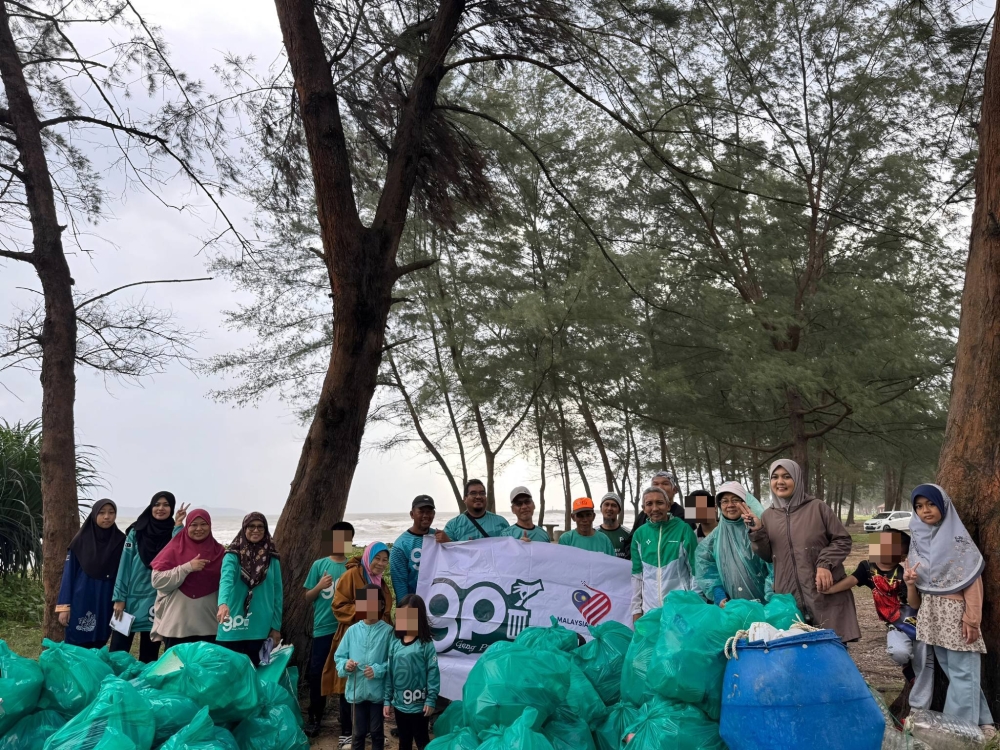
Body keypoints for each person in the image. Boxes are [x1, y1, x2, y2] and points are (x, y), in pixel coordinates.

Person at [905, 484, 994, 732]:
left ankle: (958, 731)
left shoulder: (958, 541)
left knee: (963, 672)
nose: (925, 511)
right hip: (931, 615)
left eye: (931, 504)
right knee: (957, 673)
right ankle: (984, 723)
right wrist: (911, 584)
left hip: (957, 616)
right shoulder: (918, 543)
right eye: (919, 506)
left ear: (943, 505)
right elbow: (915, 603)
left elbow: (973, 582)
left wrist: (972, 619)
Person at [744, 459, 860, 642]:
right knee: (797, 653)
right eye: (775, 477)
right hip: (790, 597)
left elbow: (842, 539)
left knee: (832, 650)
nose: (780, 482)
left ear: (797, 479)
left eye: (786, 476)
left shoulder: (817, 508)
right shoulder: (768, 516)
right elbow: (768, 556)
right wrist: (757, 531)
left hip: (823, 593)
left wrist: (825, 563)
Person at [822, 529, 934, 711]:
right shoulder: (867, 567)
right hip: (896, 627)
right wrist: (829, 590)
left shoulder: (903, 572)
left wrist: (911, 584)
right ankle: (907, 666)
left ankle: (918, 711)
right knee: (899, 652)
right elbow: (851, 581)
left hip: (919, 626)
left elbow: (915, 604)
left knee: (924, 670)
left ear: (902, 554)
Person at [323, 541, 394, 749]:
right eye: (377, 559)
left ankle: (373, 735)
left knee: (372, 695)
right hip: (353, 631)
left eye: (385, 560)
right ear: (367, 557)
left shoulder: (380, 581)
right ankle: (348, 733)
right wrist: (364, 612)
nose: (381, 564)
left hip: (378, 634)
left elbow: (385, 606)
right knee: (351, 689)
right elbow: (338, 605)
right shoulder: (351, 575)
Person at [111, 492, 188, 662]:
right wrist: (119, 597)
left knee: (149, 654)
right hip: (131, 599)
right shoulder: (136, 531)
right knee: (117, 651)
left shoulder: (172, 532)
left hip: (158, 600)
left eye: (166, 505)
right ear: (151, 506)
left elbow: (179, 552)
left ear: (172, 508)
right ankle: (113, 685)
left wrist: (178, 524)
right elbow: (124, 566)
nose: (161, 508)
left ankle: (144, 687)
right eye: (157, 504)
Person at [303, 521, 354, 738]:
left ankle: (346, 719)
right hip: (322, 629)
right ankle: (315, 716)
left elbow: (361, 599)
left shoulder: (353, 568)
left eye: (346, 538)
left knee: (346, 673)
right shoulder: (319, 565)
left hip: (347, 631)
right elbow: (307, 597)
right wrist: (319, 586)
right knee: (317, 674)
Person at [150, 508, 224, 649]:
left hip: (209, 626)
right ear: (187, 526)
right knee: (176, 669)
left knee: (206, 668)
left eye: (203, 524)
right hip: (177, 626)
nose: (199, 529)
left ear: (210, 525)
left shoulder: (220, 552)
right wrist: (187, 567)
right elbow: (157, 580)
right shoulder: (174, 548)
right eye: (193, 525)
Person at [56, 499, 126, 647]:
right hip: (82, 598)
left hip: (107, 599)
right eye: (101, 513)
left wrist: (122, 598)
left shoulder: (121, 541)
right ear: (94, 515)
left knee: (100, 639)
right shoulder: (80, 541)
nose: (107, 516)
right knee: (77, 640)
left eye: (111, 513)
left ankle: (93, 669)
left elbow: (125, 573)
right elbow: (68, 576)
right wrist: (64, 607)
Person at [216, 512, 283, 666]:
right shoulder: (232, 555)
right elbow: (225, 580)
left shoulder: (272, 558)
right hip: (233, 622)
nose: (256, 530)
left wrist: (276, 626)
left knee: (254, 671)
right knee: (228, 671)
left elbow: (277, 594)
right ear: (244, 529)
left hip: (260, 624)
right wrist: (223, 604)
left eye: (260, 527)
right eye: (251, 526)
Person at [695, 482, 773, 606]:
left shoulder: (760, 530)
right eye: (725, 501)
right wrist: (718, 593)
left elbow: (774, 565)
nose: (730, 505)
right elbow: (707, 569)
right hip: (731, 608)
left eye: (735, 500)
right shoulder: (712, 540)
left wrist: (771, 597)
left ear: (745, 503)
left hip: (764, 605)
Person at [336, 585, 393, 750]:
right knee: (358, 732)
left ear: (381, 605)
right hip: (357, 691)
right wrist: (345, 665)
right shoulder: (352, 631)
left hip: (378, 692)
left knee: (376, 731)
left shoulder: (389, 632)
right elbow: (339, 657)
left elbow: (393, 661)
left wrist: (378, 670)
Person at [630, 486, 698, 619]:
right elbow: (637, 576)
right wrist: (636, 610)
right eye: (649, 504)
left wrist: (693, 604)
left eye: (659, 503)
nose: (655, 508)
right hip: (650, 610)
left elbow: (696, 572)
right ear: (644, 508)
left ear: (668, 506)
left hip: (680, 609)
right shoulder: (639, 534)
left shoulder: (683, 529)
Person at [383, 594, 440, 750]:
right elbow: (390, 673)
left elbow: (433, 672)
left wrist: (431, 699)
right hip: (400, 706)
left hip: (420, 706)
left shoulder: (426, 644)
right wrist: (387, 700)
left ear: (418, 616)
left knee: (422, 741)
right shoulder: (394, 642)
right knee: (404, 741)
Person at [390, 496, 438, 604]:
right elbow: (400, 584)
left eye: (429, 512)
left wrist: (448, 542)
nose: (425, 516)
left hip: (438, 604)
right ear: (412, 514)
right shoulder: (401, 545)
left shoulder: (440, 537)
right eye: (421, 512)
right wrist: (406, 614)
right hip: (413, 604)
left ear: (433, 514)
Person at [435, 479, 509, 541]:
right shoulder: (453, 526)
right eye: (473, 493)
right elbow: (446, 552)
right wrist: (447, 542)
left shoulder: (501, 523)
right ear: (465, 499)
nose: (478, 497)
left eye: (482, 493)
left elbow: (510, 548)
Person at [598, 492, 630, 559]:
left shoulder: (628, 534)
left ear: (619, 510)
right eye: (606, 504)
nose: (609, 508)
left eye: (614, 505)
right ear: (601, 509)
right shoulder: (594, 533)